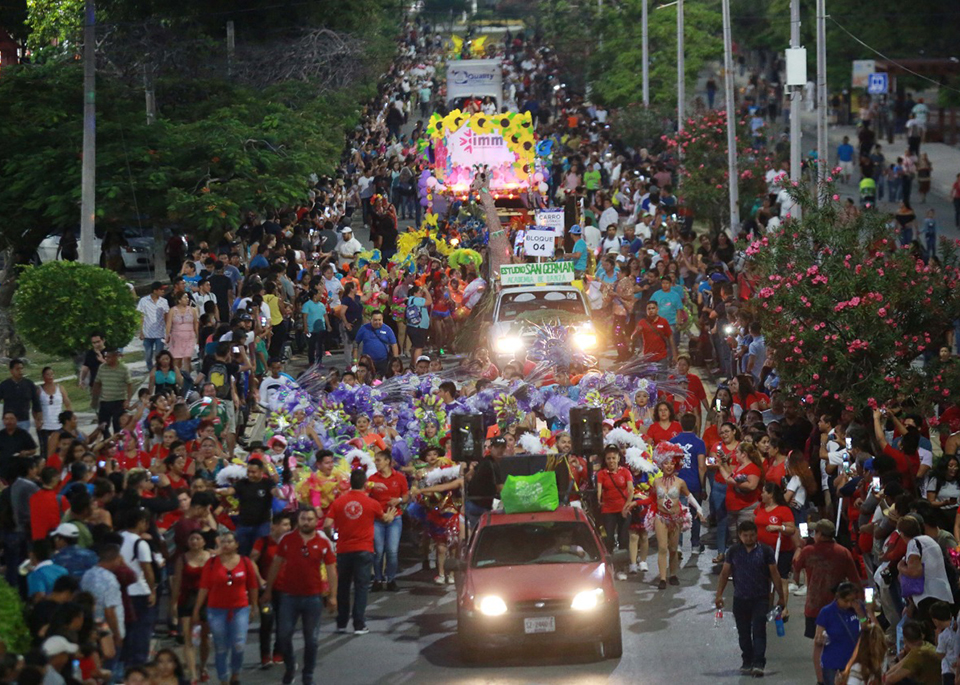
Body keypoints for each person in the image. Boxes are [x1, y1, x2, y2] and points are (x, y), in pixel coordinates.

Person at [264, 508, 338, 685]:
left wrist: (333, 596)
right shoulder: (287, 540)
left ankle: (308, 674)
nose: (307, 522)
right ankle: (290, 667)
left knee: (311, 640)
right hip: (289, 596)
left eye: (310, 519)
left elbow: (331, 570)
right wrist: (268, 589)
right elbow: (276, 565)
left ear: (315, 521)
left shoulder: (323, 543)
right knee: (283, 636)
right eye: (303, 519)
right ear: (298, 521)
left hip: (313, 597)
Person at [324, 468, 395, 635]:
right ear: (365, 484)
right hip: (364, 549)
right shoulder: (371, 503)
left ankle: (341, 623)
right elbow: (384, 518)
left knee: (343, 586)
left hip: (343, 549)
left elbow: (327, 524)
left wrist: (333, 537)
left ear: (350, 483)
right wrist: (390, 516)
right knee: (361, 588)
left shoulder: (339, 502)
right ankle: (359, 624)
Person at [715, 520, 787, 678]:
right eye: (745, 535)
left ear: (756, 535)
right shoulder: (733, 552)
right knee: (743, 633)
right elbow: (725, 573)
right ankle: (747, 659)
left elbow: (775, 575)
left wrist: (781, 598)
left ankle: (758, 663)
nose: (749, 538)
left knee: (759, 631)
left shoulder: (766, 551)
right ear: (739, 536)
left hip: (760, 599)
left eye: (752, 535)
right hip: (740, 599)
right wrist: (719, 594)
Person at [192, 532, 259, 685]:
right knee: (220, 646)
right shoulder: (211, 563)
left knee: (239, 643)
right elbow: (204, 587)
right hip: (216, 609)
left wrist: (254, 605)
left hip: (240, 608)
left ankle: (235, 674)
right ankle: (223, 679)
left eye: (229, 541)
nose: (226, 544)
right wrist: (197, 609)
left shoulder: (245, 561)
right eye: (223, 542)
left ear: (236, 544)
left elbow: (253, 585)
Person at [793, 520, 861, 643]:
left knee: (818, 641)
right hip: (838, 604)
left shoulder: (808, 551)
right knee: (838, 639)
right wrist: (862, 606)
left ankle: (820, 661)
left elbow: (796, 566)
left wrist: (799, 547)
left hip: (814, 604)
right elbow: (855, 580)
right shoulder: (843, 552)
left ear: (819, 534)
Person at [216, 458, 279, 556]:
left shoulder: (267, 483)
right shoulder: (242, 483)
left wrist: (280, 493)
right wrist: (217, 491)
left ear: (261, 471)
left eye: (253, 472)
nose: (250, 474)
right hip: (244, 524)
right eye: (248, 471)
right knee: (241, 552)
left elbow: (274, 491)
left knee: (261, 553)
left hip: (262, 525)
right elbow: (230, 491)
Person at [173, 530, 211, 684]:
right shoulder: (182, 558)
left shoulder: (211, 558)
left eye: (198, 538)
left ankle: (202, 666)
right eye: (192, 539)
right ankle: (193, 674)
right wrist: (173, 603)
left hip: (207, 599)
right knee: (188, 638)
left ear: (204, 541)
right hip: (187, 599)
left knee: (204, 638)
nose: (195, 541)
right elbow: (177, 581)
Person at [368, 451, 409, 592]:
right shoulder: (372, 479)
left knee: (392, 551)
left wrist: (397, 500)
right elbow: (366, 496)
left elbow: (405, 497)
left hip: (395, 517)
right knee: (378, 552)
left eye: (379, 460)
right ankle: (378, 579)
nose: (376, 462)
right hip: (378, 519)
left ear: (387, 461)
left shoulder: (400, 478)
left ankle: (391, 579)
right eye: (376, 460)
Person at [814, 582, 865, 685]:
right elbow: (818, 639)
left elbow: (867, 630)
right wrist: (819, 679)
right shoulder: (826, 612)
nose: (850, 604)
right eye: (846, 601)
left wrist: (860, 613)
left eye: (853, 600)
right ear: (838, 597)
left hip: (853, 662)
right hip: (832, 664)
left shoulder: (858, 608)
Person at [596, 446, 633, 581]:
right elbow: (599, 491)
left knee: (624, 538)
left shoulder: (626, 472)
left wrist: (626, 506)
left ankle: (621, 568)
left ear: (618, 458)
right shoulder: (602, 474)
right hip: (608, 510)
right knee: (608, 539)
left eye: (613, 458)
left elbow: (630, 491)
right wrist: (599, 499)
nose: (611, 461)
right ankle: (609, 566)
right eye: (608, 458)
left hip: (624, 509)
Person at [465, 436, 506, 531]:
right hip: (478, 506)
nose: (500, 450)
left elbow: (468, 476)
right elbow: (500, 487)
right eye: (497, 447)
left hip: (473, 503)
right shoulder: (491, 464)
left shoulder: (485, 461)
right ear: (490, 448)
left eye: (502, 447)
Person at [884, 620, 942, 684]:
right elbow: (899, 666)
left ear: (904, 640)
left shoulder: (918, 654)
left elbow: (891, 679)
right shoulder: (925, 645)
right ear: (922, 635)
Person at [93, 349, 134, 435]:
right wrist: (95, 399)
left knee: (118, 425)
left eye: (109, 357)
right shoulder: (102, 368)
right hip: (105, 401)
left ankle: (118, 444)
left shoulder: (123, 368)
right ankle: (107, 442)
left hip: (119, 401)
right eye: (105, 357)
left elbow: (129, 385)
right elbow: (97, 383)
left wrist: (128, 400)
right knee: (103, 425)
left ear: (115, 357)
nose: (106, 359)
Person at [0, 358, 42, 434]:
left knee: (22, 444)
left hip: (24, 421)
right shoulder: (4, 385)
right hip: (8, 422)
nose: (20, 371)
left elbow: (36, 403)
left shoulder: (29, 384)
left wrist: (38, 419)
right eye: (17, 369)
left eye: (22, 369)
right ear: (11, 371)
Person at [354, 310, 399, 377]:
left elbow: (394, 344)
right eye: (375, 320)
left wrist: (395, 360)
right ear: (370, 319)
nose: (377, 322)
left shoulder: (388, 329)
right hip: (367, 361)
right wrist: (355, 360)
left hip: (383, 361)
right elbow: (355, 344)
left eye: (379, 320)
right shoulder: (363, 328)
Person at [136, 282, 170, 371]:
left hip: (160, 333)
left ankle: (158, 371)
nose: (163, 291)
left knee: (159, 355)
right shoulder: (143, 301)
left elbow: (167, 316)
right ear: (155, 291)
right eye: (161, 289)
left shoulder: (164, 301)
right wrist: (141, 331)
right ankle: (151, 370)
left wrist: (168, 331)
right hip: (147, 333)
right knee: (148, 356)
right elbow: (141, 316)